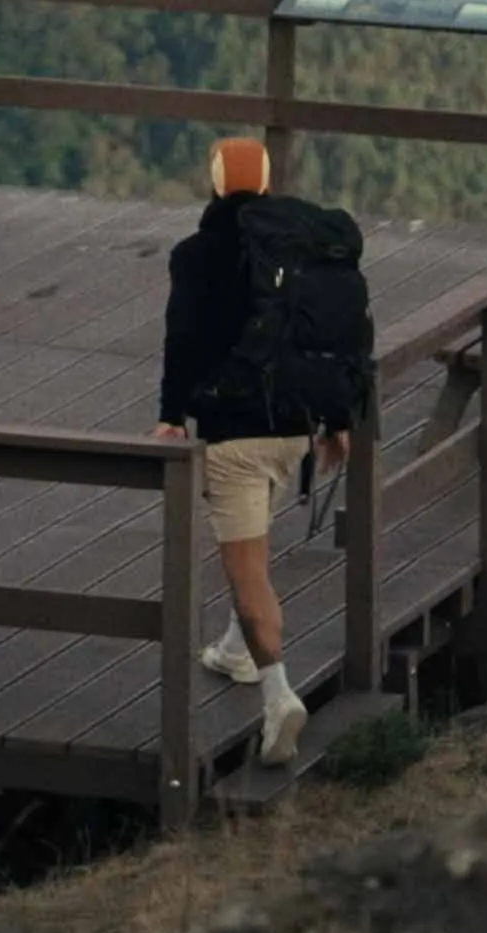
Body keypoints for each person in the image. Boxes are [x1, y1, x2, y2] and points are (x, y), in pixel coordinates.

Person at [153, 138, 365, 766]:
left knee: (247, 573)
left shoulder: (196, 255)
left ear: (216, 185)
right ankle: (235, 649)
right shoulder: (300, 249)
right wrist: (338, 417)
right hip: (298, 427)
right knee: (253, 544)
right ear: (268, 185)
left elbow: (182, 339)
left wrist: (170, 416)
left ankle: (277, 694)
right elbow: (338, 332)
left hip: (235, 437)